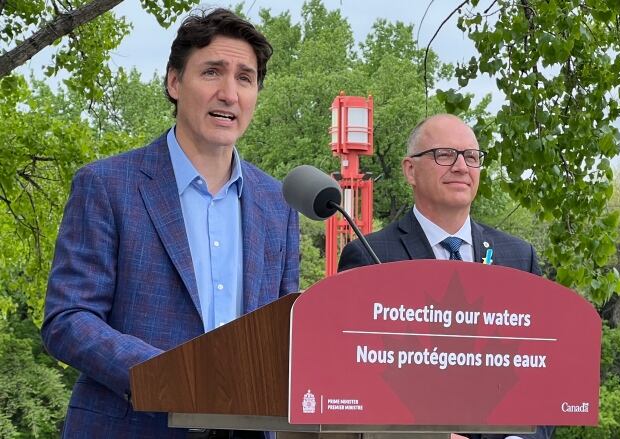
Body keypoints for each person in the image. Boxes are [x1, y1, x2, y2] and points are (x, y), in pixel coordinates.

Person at [41, 8, 299, 439]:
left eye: (244, 78)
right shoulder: (107, 185)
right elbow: (69, 318)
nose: (228, 94)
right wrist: (170, 377)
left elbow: (285, 331)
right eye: (212, 72)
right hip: (131, 427)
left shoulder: (279, 203)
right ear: (174, 83)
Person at [338, 114, 553, 439]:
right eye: (444, 155)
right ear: (410, 170)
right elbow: (355, 384)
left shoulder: (519, 258)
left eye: (471, 156)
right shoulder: (370, 257)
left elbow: (541, 373)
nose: (461, 167)